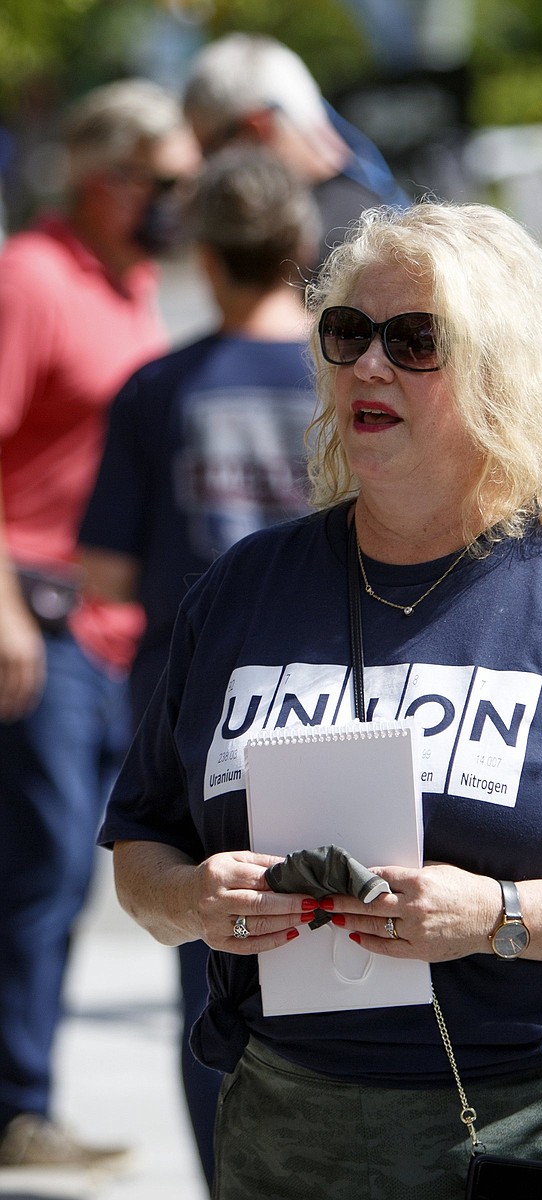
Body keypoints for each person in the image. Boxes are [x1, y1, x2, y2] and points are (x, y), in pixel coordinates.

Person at [98, 201, 542, 1200]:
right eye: (347, 334)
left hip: (529, 1129)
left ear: (502, 371)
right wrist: (194, 900)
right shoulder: (241, 590)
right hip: (283, 1131)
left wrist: (498, 914)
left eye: (414, 340)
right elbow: (142, 849)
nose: (369, 365)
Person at [78, 145, 320, 1189]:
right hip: (340, 709)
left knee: (211, 974)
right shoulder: (348, 372)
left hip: (199, 732)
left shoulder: (157, 388)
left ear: (205, 257)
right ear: (303, 248)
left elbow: (105, 568)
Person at [0, 79, 199, 1168]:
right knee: (43, 869)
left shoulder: (129, 284)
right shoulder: (30, 278)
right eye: (166, 181)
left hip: (117, 631)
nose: (181, 200)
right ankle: (17, 1107)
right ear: (102, 177)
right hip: (38, 616)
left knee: (81, 867)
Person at [182, 31, 408, 271]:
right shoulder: (372, 204)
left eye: (210, 152)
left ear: (256, 129)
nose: (206, 170)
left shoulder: (313, 247)